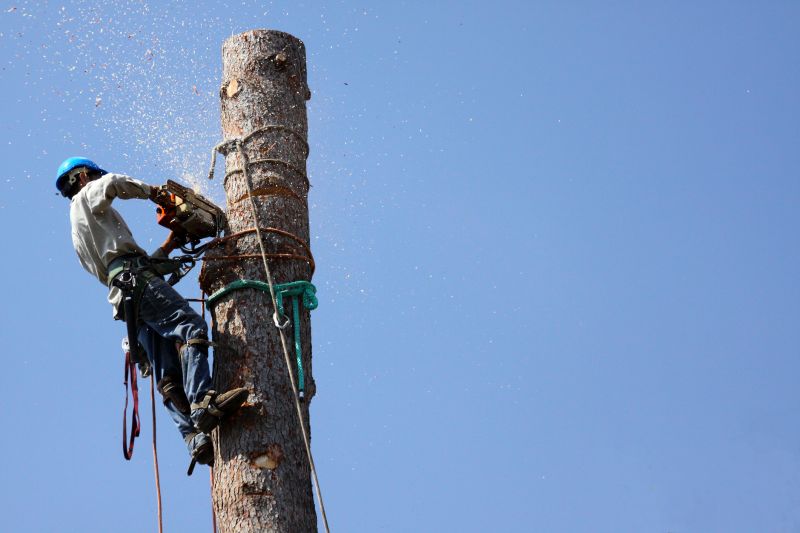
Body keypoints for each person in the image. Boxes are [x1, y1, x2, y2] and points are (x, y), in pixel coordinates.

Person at [56, 156, 248, 471]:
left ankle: (194, 439)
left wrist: (170, 245)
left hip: (127, 301)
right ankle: (202, 402)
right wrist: (156, 193)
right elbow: (113, 183)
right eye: (91, 175)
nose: (94, 179)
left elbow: (127, 264)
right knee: (192, 328)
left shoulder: (82, 232)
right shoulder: (85, 197)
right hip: (136, 284)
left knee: (167, 374)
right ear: (79, 177)